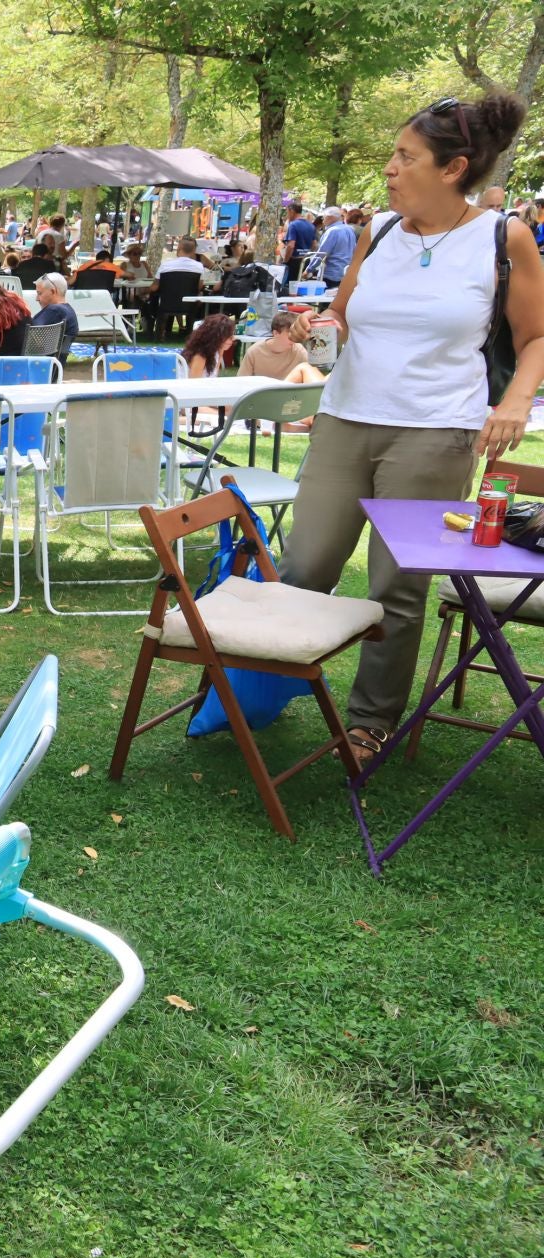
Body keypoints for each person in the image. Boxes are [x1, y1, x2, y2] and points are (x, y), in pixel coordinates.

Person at [282, 92, 544, 766]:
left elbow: (536, 335)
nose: (391, 168)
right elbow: (344, 311)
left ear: (453, 168)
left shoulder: (502, 237)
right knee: (305, 565)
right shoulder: (381, 231)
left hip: (436, 432)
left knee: (396, 586)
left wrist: (514, 400)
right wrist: (324, 326)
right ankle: (266, 689)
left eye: (406, 157)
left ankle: (370, 723)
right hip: (345, 418)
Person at [30, 273, 80, 346]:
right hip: (55, 357)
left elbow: (29, 332)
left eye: (39, 293)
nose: (37, 299)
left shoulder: (55, 310)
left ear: (53, 291)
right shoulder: (69, 311)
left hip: (37, 357)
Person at [181, 312, 237, 378]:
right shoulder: (200, 356)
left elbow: (214, 377)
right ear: (215, 337)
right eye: (229, 336)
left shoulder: (217, 350)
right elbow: (193, 385)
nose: (233, 338)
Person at [318, 207, 359, 287]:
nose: (323, 220)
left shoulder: (332, 231)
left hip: (330, 274)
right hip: (344, 273)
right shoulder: (349, 229)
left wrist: (309, 269)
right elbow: (354, 250)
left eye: (324, 217)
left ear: (330, 217)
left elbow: (322, 253)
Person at [281, 201, 319, 277]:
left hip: (294, 261)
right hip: (306, 261)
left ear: (291, 211)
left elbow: (291, 246)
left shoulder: (293, 225)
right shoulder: (311, 225)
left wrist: (285, 261)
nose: (287, 215)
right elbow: (314, 245)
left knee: (290, 286)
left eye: (287, 212)